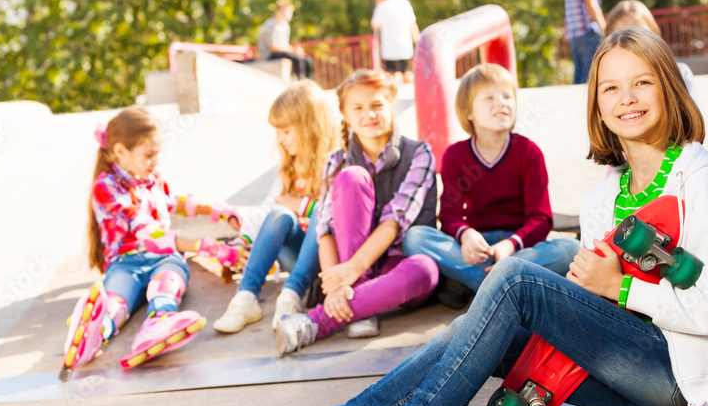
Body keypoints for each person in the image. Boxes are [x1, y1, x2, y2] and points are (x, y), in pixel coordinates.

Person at [224, 28, 708, 406]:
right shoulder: (606, 198)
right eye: (610, 87)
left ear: (668, 89)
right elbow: (603, 312)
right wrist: (592, 292)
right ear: (597, 105)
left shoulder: (700, 180)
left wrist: (620, 286)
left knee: (515, 280)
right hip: (627, 382)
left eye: (643, 82)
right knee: (476, 328)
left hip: (684, 375)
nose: (627, 98)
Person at [273, 69, 439, 354]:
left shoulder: (419, 154)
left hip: (396, 267)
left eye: (377, 105)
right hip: (349, 272)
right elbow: (324, 229)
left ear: (392, 106)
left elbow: (393, 222)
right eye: (358, 108)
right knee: (352, 177)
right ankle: (361, 307)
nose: (369, 115)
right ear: (345, 114)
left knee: (426, 269)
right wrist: (337, 286)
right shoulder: (336, 160)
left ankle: (316, 322)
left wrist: (351, 271)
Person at [66, 107, 241, 370]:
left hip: (162, 261)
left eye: (157, 155)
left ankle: (157, 323)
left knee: (168, 281)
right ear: (121, 151)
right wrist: (203, 247)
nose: (155, 162)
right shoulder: (106, 186)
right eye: (149, 155)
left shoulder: (150, 178)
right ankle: (95, 332)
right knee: (117, 299)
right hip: (126, 262)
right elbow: (149, 234)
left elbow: (176, 201)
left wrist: (218, 209)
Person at [402, 63, 578, 309]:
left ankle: (491, 282)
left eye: (507, 96)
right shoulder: (455, 155)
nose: (501, 103)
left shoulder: (528, 152)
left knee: (570, 249)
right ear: (469, 112)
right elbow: (450, 215)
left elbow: (541, 219)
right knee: (415, 237)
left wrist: (511, 244)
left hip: (518, 248)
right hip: (477, 250)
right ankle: (509, 285)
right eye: (489, 98)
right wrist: (465, 235)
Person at [212, 81, 340, 333]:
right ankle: (246, 297)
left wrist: (302, 205)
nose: (280, 139)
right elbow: (268, 208)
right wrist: (243, 239)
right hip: (296, 257)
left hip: (324, 261)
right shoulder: (290, 169)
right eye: (277, 133)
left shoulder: (334, 163)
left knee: (321, 213)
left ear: (309, 127)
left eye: (286, 131)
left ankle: (291, 295)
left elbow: (337, 215)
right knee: (279, 213)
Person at [606, 0, 698, 101]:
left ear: (654, 34)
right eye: (622, 36)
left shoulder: (680, 74)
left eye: (640, 33)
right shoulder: (604, 81)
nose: (632, 43)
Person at [371, 0, 420, 83]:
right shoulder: (404, 3)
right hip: (405, 47)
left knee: (392, 76)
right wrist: (418, 41)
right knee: (407, 73)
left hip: (390, 49)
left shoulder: (381, 7)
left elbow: (374, 25)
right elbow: (412, 25)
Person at [257, 0, 314, 80]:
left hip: (279, 51)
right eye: (285, 11)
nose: (288, 14)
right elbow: (273, 47)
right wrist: (293, 50)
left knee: (306, 59)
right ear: (277, 11)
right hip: (269, 54)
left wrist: (295, 50)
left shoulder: (285, 26)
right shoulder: (270, 25)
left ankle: (308, 82)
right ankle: (301, 82)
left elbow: (284, 45)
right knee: (297, 59)